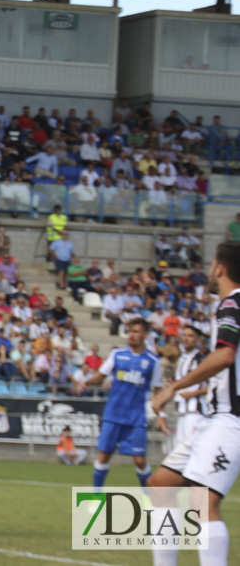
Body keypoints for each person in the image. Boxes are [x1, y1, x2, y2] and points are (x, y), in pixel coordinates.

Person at [149, 241, 240, 566]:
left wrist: (174, 388)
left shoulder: (232, 304)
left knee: (201, 502)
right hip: (217, 419)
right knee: (160, 484)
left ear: (219, 268)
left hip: (232, 420)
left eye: (212, 262)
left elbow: (224, 355)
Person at [76, 318, 165, 488]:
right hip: (113, 414)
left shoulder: (153, 361)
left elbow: (158, 390)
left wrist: (162, 414)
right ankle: (96, 498)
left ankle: (148, 498)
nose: (132, 335)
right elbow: (101, 376)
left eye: (136, 331)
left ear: (145, 335)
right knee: (104, 456)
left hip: (136, 418)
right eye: (130, 331)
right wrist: (86, 382)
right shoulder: (118, 354)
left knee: (140, 461)